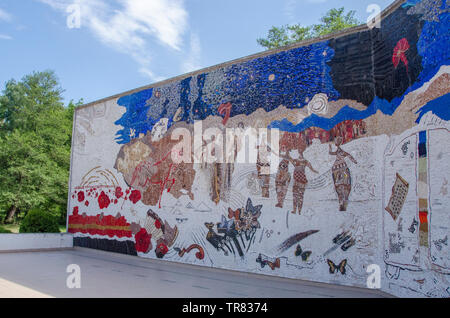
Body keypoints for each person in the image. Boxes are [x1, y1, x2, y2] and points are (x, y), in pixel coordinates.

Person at [329, 136, 357, 211]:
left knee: (340, 184)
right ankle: (343, 200)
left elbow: (331, 153)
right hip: (342, 169)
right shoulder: (341, 151)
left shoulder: (339, 151)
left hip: (336, 169)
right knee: (345, 182)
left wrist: (330, 148)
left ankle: (342, 200)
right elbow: (349, 155)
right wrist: (354, 161)